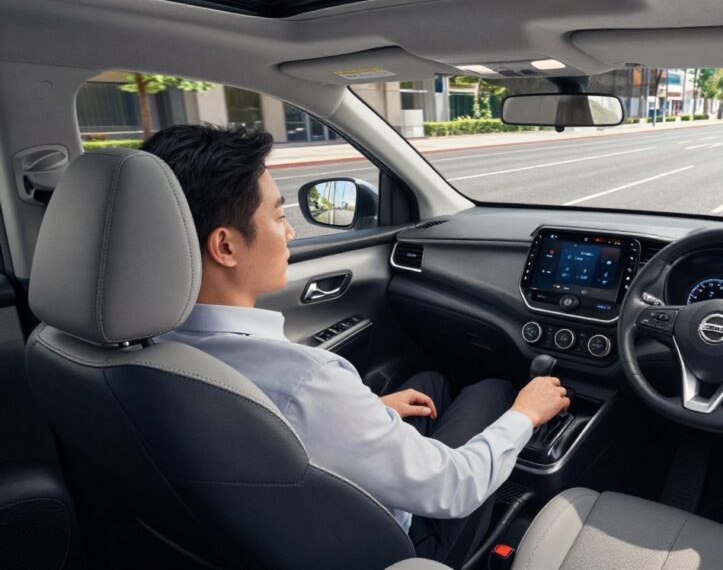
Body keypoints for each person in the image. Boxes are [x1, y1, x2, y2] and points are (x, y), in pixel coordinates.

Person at [142, 124, 569, 565]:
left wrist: (365, 411)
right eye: (279, 216)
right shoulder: (306, 382)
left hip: (255, 532)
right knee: (493, 391)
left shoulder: (138, 351)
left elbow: (263, 435)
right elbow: (453, 487)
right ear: (225, 246)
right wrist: (526, 413)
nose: (290, 233)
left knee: (430, 385)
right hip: (390, 548)